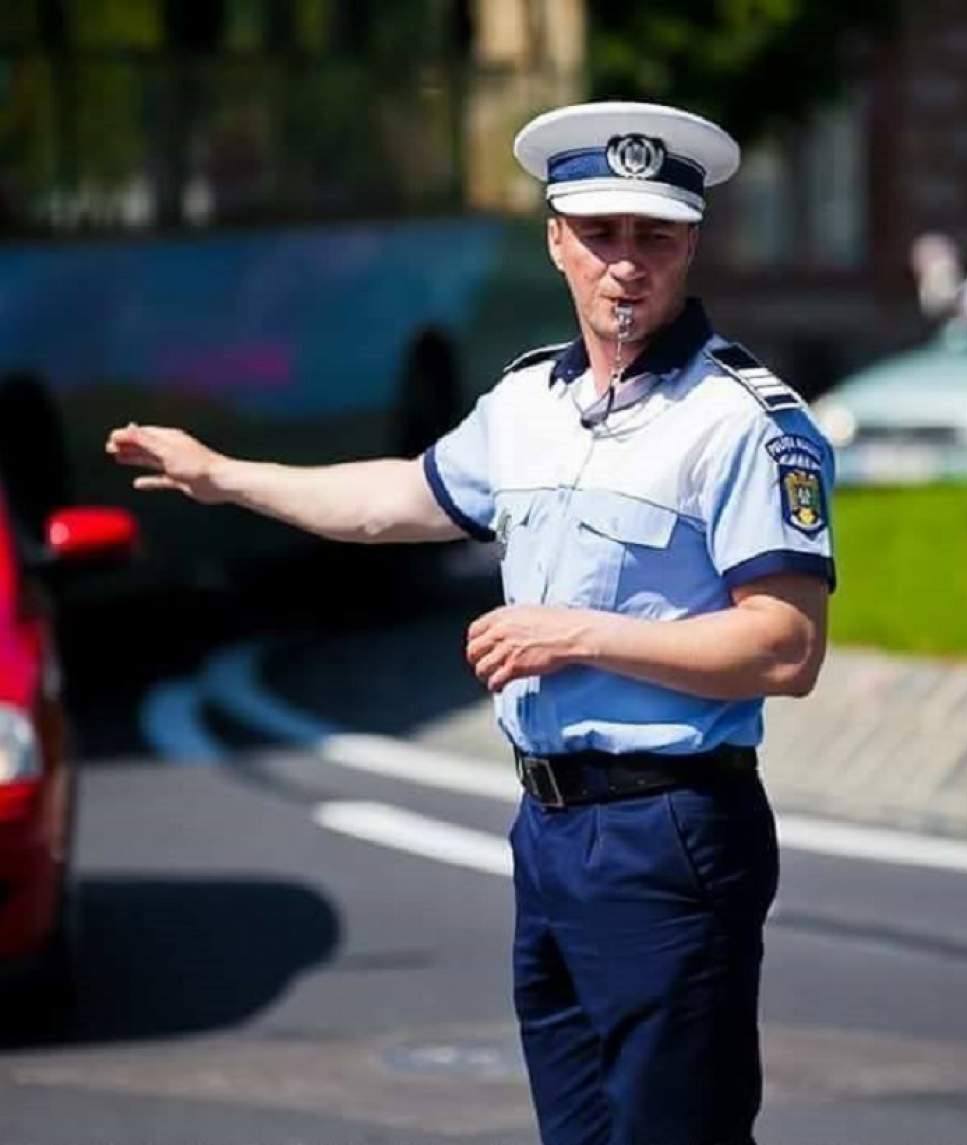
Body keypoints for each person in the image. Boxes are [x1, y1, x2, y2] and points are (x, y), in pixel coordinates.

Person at [106, 101, 836, 1145]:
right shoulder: (528, 399)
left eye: (654, 236)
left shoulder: (748, 425)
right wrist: (226, 477)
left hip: (670, 828)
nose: (625, 265)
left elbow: (786, 646)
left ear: (690, 243)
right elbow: (395, 497)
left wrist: (574, 634)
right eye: (600, 234)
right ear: (555, 240)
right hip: (547, 826)